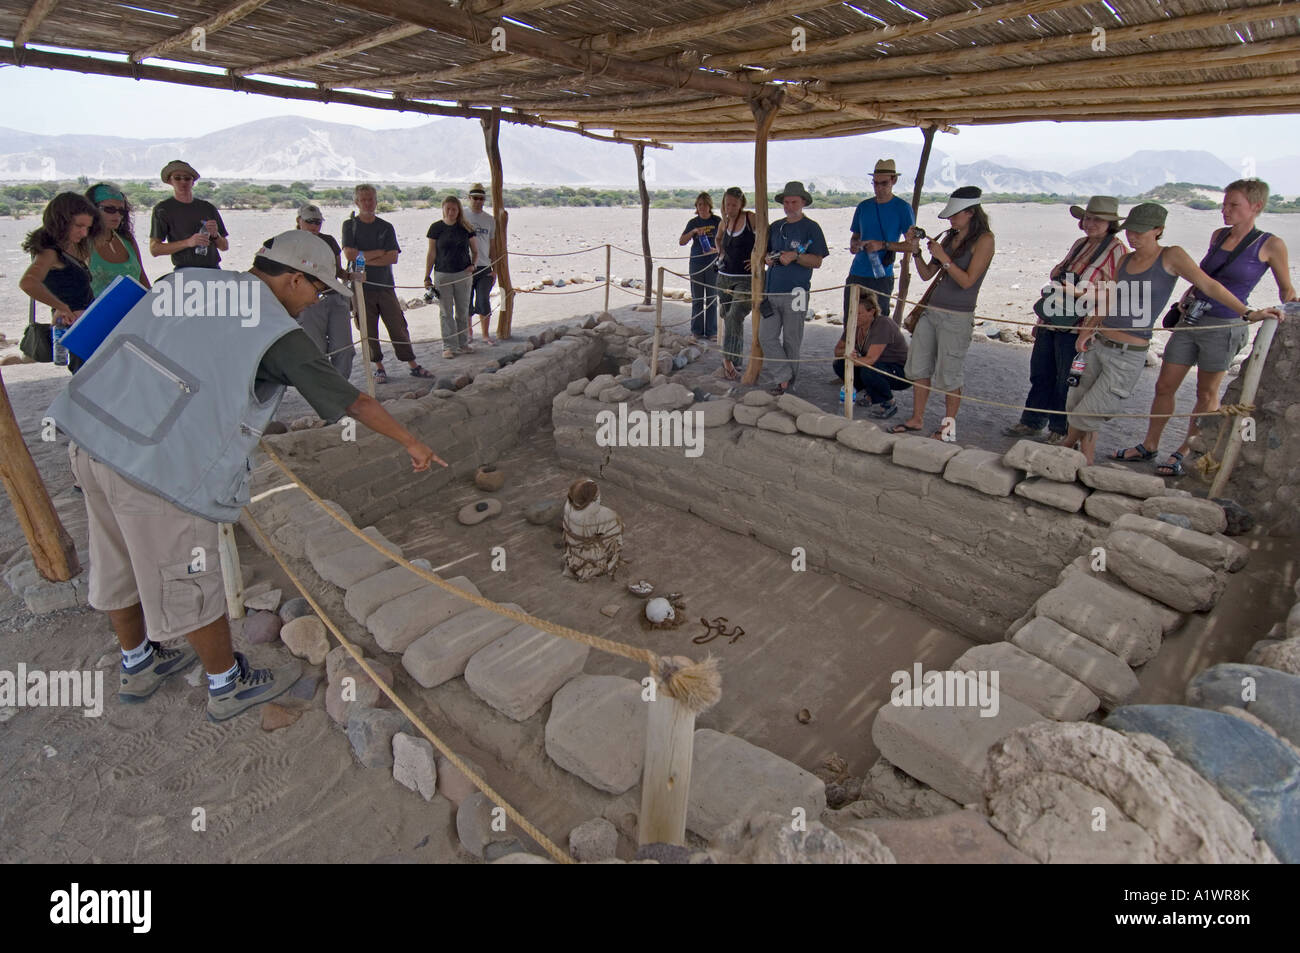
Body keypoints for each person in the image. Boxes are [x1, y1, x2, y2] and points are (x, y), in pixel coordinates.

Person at [47, 230, 446, 723]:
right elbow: (354, 400)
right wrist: (413, 441)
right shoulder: (274, 331)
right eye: (317, 291)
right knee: (189, 577)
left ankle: (138, 663)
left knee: (117, 560)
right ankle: (226, 684)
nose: (314, 304)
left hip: (93, 438)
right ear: (294, 278)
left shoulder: (187, 280)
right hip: (158, 468)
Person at [1062, 203, 1279, 466]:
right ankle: (1084, 460)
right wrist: (1089, 328)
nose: (1133, 237)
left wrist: (1247, 313)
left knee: (1091, 410)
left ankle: (1063, 449)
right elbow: (1113, 296)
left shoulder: (1171, 256)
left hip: (1128, 352)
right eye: (1130, 230)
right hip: (1101, 341)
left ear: (1158, 230)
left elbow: (1208, 284)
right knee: (1077, 403)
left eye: (1140, 232)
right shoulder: (1125, 258)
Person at [1118, 179, 1297, 475]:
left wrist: (1282, 310)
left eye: (1233, 205)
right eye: (1224, 203)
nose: (1225, 210)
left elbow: (1286, 292)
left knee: (1206, 393)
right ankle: (1150, 444)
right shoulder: (1218, 236)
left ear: (1256, 206)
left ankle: (1186, 449)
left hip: (1226, 324)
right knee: (1164, 385)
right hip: (1193, 319)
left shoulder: (1270, 244)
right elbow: (1204, 279)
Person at [1004, 196, 1126, 445]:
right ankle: (1032, 421)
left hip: (1078, 324)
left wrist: (1083, 300)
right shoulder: (1080, 244)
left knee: (1066, 378)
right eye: (1088, 218)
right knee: (1041, 372)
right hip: (1053, 317)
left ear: (1110, 223)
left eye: (1097, 219)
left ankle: (1060, 428)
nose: (1090, 223)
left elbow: (1112, 291)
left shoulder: (1116, 250)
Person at [891, 186, 995, 438]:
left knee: (950, 374)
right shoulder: (951, 236)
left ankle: (947, 429)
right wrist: (915, 251)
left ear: (970, 212)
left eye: (955, 214)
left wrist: (944, 258)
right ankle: (917, 418)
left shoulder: (985, 240)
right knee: (919, 366)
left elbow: (968, 281)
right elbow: (927, 274)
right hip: (932, 309)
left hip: (957, 315)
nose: (950, 220)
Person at [342, 184, 433, 383]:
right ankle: (379, 367)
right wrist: (377, 253)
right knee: (367, 328)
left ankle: (412, 364)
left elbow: (392, 257)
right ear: (357, 202)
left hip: (385, 284)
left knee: (397, 324)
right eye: (363, 199)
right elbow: (349, 254)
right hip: (361, 287)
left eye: (371, 199)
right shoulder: (350, 225)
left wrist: (363, 257)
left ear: (376, 200)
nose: (368, 203)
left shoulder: (385, 227)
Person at [264, 204, 354, 378]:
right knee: (315, 350)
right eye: (310, 221)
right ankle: (324, 388)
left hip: (333, 296)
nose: (314, 226)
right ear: (299, 221)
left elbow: (337, 271)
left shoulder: (328, 240)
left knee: (344, 348)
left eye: (318, 222)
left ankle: (340, 389)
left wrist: (352, 276)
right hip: (307, 302)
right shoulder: (289, 242)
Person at [760, 181, 829, 396]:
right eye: (787, 202)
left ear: (803, 203)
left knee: (792, 339)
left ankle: (787, 386)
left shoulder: (812, 228)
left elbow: (817, 261)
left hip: (797, 292)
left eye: (794, 202)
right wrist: (768, 259)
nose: (789, 206)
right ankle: (784, 376)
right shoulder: (775, 226)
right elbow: (765, 253)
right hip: (772, 290)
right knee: (766, 336)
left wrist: (796, 257)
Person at [19, 192, 97, 374]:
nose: (84, 233)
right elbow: (28, 283)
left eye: (87, 227)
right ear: (61, 221)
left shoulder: (66, 248)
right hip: (74, 328)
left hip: (83, 324)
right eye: (79, 226)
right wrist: (61, 307)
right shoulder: (50, 252)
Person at [846, 159, 915, 320]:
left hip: (881, 276)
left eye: (884, 183)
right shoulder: (864, 206)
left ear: (894, 180)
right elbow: (855, 236)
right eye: (875, 183)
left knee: (878, 323)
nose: (879, 188)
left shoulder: (902, 208)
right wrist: (854, 245)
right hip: (857, 272)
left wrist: (883, 245)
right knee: (851, 320)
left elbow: (911, 246)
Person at [832, 291, 911, 419]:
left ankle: (889, 403)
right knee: (840, 365)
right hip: (877, 365)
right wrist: (847, 353)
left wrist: (851, 358)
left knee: (868, 371)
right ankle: (870, 394)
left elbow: (870, 359)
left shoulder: (883, 324)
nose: (855, 317)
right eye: (853, 312)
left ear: (872, 312)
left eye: (859, 313)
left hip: (899, 371)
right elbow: (837, 351)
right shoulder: (854, 325)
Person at [425, 195, 479, 359]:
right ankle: (449, 346)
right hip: (442, 273)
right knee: (445, 311)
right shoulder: (436, 228)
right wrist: (427, 275)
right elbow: (431, 252)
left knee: (462, 310)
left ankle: (463, 343)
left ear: (458, 211)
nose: (451, 212)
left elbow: (475, 251)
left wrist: (473, 265)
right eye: (448, 209)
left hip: (463, 273)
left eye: (454, 209)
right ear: (443, 209)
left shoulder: (466, 228)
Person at [149, 160, 228, 270]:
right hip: (185, 271)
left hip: (213, 269)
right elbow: (155, 249)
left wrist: (215, 235)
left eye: (187, 178)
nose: (183, 182)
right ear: (169, 181)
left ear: (193, 182)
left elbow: (224, 246)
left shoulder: (208, 208)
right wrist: (188, 242)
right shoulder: (163, 209)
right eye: (177, 178)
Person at [714, 186, 756, 380]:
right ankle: (734, 359)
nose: (729, 208)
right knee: (725, 314)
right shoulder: (725, 221)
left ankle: (728, 362)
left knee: (735, 314)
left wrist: (758, 257)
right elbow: (718, 238)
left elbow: (765, 235)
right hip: (724, 276)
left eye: (733, 204)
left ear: (741, 204)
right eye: (727, 204)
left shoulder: (750, 219)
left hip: (745, 279)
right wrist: (720, 252)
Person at [84, 183, 150, 295]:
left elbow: (142, 277)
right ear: (91, 209)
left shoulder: (127, 240)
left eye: (122, 211)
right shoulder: (82, 244)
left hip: (134, 310)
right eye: (109, 209)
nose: (117, 215)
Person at [680, 192, 721, 341]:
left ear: (710, 205)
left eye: (705, 204)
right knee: (697, 298)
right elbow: (682, 241)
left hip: (712, 263)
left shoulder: (717, 221)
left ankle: (711, 331)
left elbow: (725, 242)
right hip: (696, 263)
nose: (702, 207)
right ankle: (696, 330)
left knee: (711, 297)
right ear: (696, 207)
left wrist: (716, 250)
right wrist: (693, 232)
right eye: (699, 205)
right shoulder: (693, 222)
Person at [464, 183, 498, 346]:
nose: (478, 201)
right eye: (475, 198)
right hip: (466, 265)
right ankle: (469, 333)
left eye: (481, 199)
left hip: (484, 265)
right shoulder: (462, 216)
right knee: (466, 300)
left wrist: (495, 268)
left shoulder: (489, 220)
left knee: (483, 299)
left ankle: (485, 335)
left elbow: (492, 244)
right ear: (469, 198)